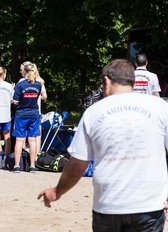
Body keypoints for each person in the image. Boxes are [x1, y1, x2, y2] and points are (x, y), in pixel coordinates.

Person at [38, 59, 168, 231]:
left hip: (108, 205)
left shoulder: (94, 112)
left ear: (106, 80)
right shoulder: (160, 107)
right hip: (148, 204)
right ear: (133, 81)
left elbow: (77, 164)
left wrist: (57, 191)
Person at [12, 63, 42, 173]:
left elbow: (15, 101)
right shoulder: (38, 85)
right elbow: (39, 97)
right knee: (32, 140)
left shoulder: (20, 85)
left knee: (19, 140)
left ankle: (16, 165)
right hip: (34, 113)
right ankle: (33, 165)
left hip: (22, 113)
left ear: (24, 71)